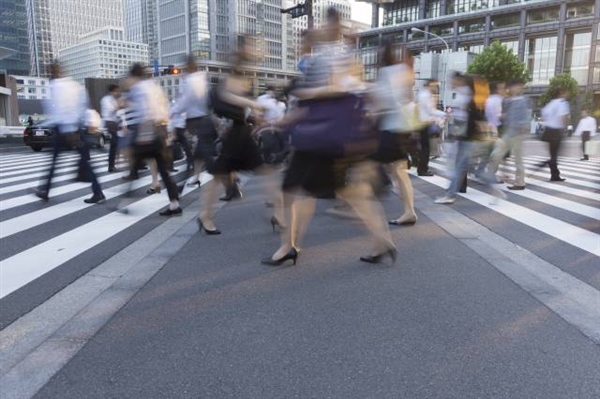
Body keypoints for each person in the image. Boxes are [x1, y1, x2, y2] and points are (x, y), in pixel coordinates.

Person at [262, 7, 396, 266]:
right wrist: (283, 120)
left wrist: (307, 93)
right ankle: (382, 241)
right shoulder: (333, 54)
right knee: (348, 192)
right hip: (327, 136)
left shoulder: (335, 54)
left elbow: (337, 90)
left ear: (332, 25)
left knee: (291, 190)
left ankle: (287, 246)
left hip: (318, 138)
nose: (317, 29)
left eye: (324, 23)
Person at [36, 61, 105, 204]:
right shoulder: (75, 85)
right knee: (84, 160)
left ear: (53, 72)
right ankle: (45, 190)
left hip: (65, 128)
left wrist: (68, 130)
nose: (49, 73)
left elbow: (60, 109)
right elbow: (84, 105)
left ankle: (45, 190)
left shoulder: (56, 87)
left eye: (49, 70)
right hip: (76, 126)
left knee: (56, 161)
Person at [122, 63, 181, 216]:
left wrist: (144, 136)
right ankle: (174, 204)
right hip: (159, 131)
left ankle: (126, 202)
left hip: (146, 132)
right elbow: (164, 109)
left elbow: (144, 112)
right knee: (163, 170)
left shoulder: (137, 89)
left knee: (135, 167)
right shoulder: (153, 87)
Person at [371, 42, 418, 226]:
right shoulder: (405, 71)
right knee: (399, 171)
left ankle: (358, 204)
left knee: (366, 165)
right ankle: (409, 211)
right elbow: (408, 100)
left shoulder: (386, 73)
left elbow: (382, 101)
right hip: (402, 128)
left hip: (390, 128)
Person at [434, 72, 474, 204]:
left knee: (461, 166)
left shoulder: (464, 95)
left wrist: (453, 131)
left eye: (453, 80)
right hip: (466, 135)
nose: (451, 82)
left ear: (459, 80)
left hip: (464, 135)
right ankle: (454, 191)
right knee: (462, 165)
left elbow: (461, 117)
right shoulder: (466, 93)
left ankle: (450, 194)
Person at [485, 79, 531, 190]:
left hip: (518, 134)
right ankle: (490, 176)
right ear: (510, 88)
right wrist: (502, 117)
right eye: (517, 86)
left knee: (518, 159)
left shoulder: (524, 100)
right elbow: (505, 114)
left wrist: (524, 125)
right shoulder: (506, 101)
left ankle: (520, 183)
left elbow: (527, 115)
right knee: (496, 154)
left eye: (520, 86)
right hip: (508, 133)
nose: (519, 88)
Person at [417, 79, 447, 176]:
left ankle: (422, 168)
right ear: (429, 85)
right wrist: (444, 114)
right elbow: (430, 110)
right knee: (425, 148)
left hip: (422, 123)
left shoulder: (422, 94)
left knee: (424, 148)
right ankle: (423, 169)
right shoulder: (426, 95)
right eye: (434, 85)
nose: (435, 88)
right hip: (424, 123)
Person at [540, 89, 570, 182]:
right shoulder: (562, 103)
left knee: (553, 154)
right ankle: (547, 163)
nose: (566, 94)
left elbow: (543, 114)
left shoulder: (550, 103)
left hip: (548, 130)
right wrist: (564, 128)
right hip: (556, 130)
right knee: (555, 155)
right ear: (561, 93)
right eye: (565, 92)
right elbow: (562, 117)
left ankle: (554, 175)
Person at [101, 84, 121, 173]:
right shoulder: (106, 100)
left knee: (115, 144)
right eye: (116, 91)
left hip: (114, 123)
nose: (117, 93)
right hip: (110, 123)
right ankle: (111, 165)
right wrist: (118, 106)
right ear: (111, 91)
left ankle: (111, 163)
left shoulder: (113, 99)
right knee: (114, 144)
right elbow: (110, 111)